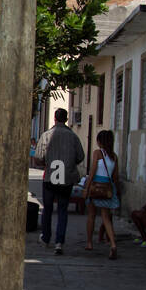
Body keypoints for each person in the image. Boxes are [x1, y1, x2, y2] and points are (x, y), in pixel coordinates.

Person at [33, 108, 86, 255]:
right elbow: (80, 156)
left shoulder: (47, 135)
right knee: (63, 210)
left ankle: (45, 237)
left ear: (55, 119)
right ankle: (59, 242)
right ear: (66, 119)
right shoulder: (73, 137)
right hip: (66, 178)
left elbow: (38, 156)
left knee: (48, 209)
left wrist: (46, 162)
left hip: (50, 177)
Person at [84, 130, 120, 260]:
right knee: (106, 218)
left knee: (91, 215)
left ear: (100, 141)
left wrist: (86, 188)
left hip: (95, 188)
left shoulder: (97, 153)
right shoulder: (114, 157)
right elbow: (116, 177)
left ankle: (89, 243)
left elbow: (92, 172)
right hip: (107, 189)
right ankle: (113, 244)